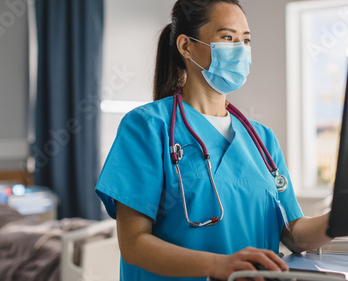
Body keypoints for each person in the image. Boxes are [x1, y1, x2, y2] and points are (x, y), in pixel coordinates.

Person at [95, 1, 332, 280]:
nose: (240, 49)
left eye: (246, 40)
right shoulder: (147, 127)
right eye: (227, 38)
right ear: (186, 46)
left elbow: (293, 234)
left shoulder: (262, 140)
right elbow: (134, 244)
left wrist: (346, 215)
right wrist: (217, 266)